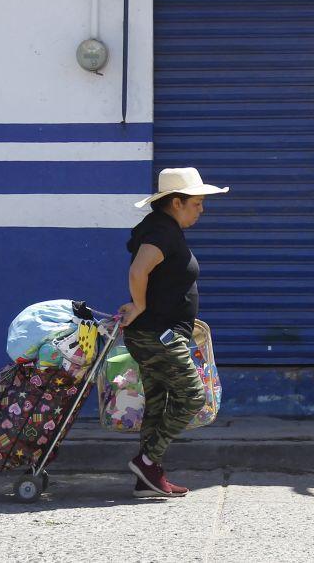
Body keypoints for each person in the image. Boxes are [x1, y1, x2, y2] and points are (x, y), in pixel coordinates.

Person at [119, 167, 228, 498]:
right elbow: (139, 270)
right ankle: (148, 460)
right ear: (176, 203)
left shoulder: (159, 228)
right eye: (196, 203)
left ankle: (147, 479)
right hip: (158, 334)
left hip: (155, 332)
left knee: (159, 401)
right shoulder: (162, 232)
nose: (202, 210)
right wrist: (138, 304)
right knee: (193, 396)